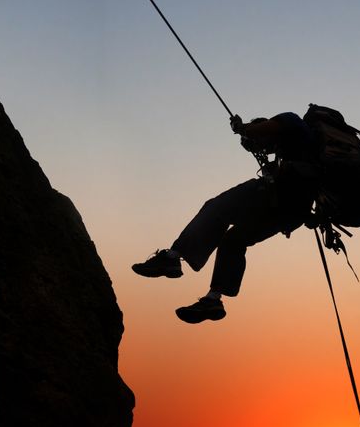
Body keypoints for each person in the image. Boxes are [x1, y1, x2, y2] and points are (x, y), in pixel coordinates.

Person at [132, 112, 321, 323]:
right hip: (289, 213)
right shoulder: (299, 149)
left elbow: (267, 128)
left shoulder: (290, 121)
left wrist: (244, 128)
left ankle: (173, 258)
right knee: (233, 241)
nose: (264, 148)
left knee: (216, 208)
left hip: (274, 196)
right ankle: (213, 299)